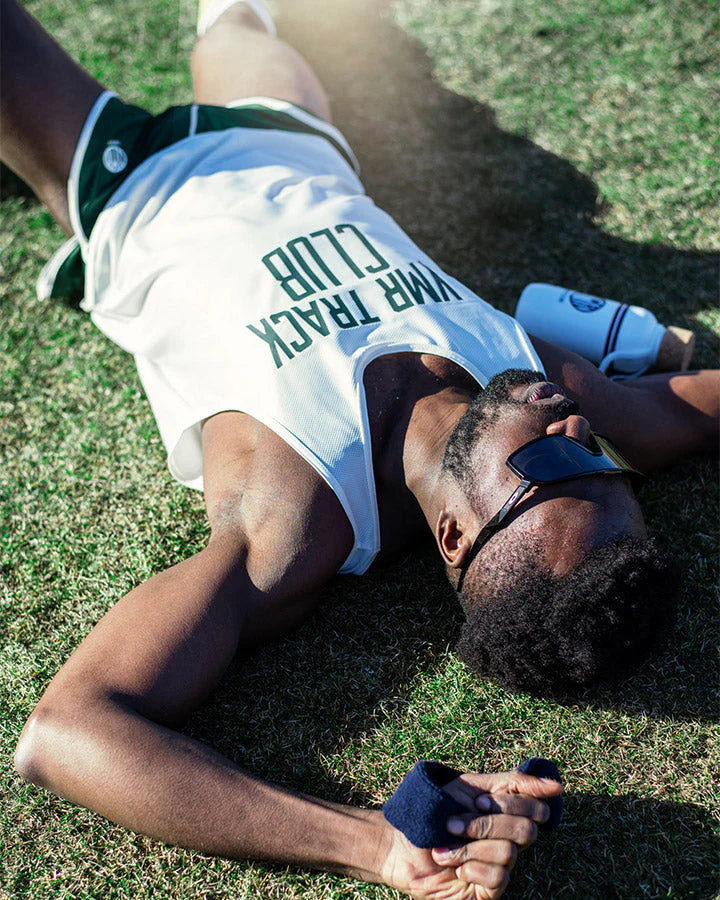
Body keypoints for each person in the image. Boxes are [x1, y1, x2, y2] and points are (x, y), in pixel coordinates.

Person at [4, 0, 718, 896]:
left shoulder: (292, 512)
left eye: (557, 467)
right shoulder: (553, 392)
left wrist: (375, 845)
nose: (577, 435)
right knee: (237, 29)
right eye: (601, 458)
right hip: (293, 135)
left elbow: (69, 732)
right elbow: (693, 410)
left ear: (455, 537)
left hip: (131, 184)